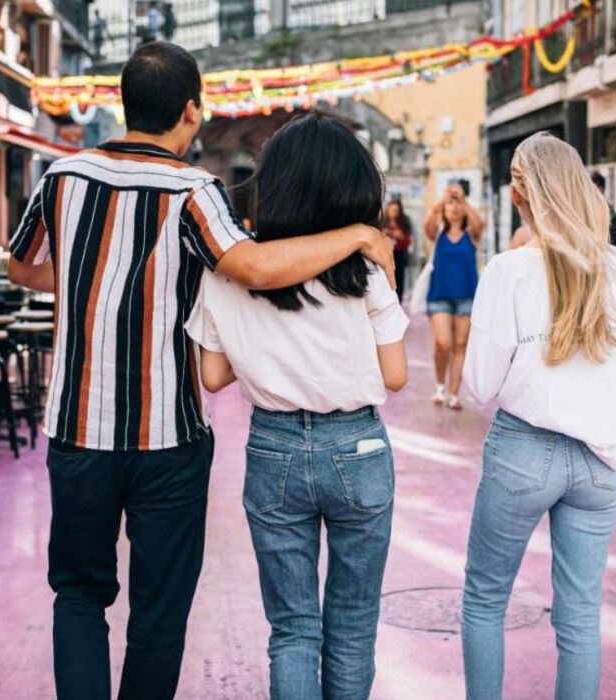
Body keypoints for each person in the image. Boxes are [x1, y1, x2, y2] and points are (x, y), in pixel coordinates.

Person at [6, 42, 395, 700]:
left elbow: (22, 268)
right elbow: (256, 268)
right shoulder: (196, 191)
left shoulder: (61, 178)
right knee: (158, 613)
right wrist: (360, 236)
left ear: (123, 102)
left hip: (76, 430)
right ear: (191, 112)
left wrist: (87, 284)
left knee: (77, 595)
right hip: (168, 438)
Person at [187, 111, 409, 700]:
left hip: (274, 449)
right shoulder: (363, 270)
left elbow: (211, 375)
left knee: (291, 629)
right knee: (353, 624)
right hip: (357, 448)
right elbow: (394, 375)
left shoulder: (230, 274)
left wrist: (264, 349)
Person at [460, 132, 616, 700]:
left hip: (524, 451)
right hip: (600, 461)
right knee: (580, 617)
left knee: (486, 598)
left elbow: (478, 386)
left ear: (520, 195)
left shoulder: (510, 271)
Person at [423, 190, 482, 410]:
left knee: (460, 345)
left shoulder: (471, 234)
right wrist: (443, 201)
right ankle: (440, 386)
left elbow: (478, 223)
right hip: (439, 295)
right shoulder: (437, 233)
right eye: (451, 205)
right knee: (443, 343)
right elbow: (427, 226)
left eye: (457, 205)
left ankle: (454, 393)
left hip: (466, 296)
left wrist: (462, 201)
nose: (454, 207)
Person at [382, 198, 412, 299]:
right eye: (392, 210)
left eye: (396, 211)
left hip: (399, 256)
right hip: (384, 256)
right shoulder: (382, 223)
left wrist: (400, 236)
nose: (394, 213)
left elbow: (408, 241)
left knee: (399, 282)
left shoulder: (404, 224)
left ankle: (398, 301)